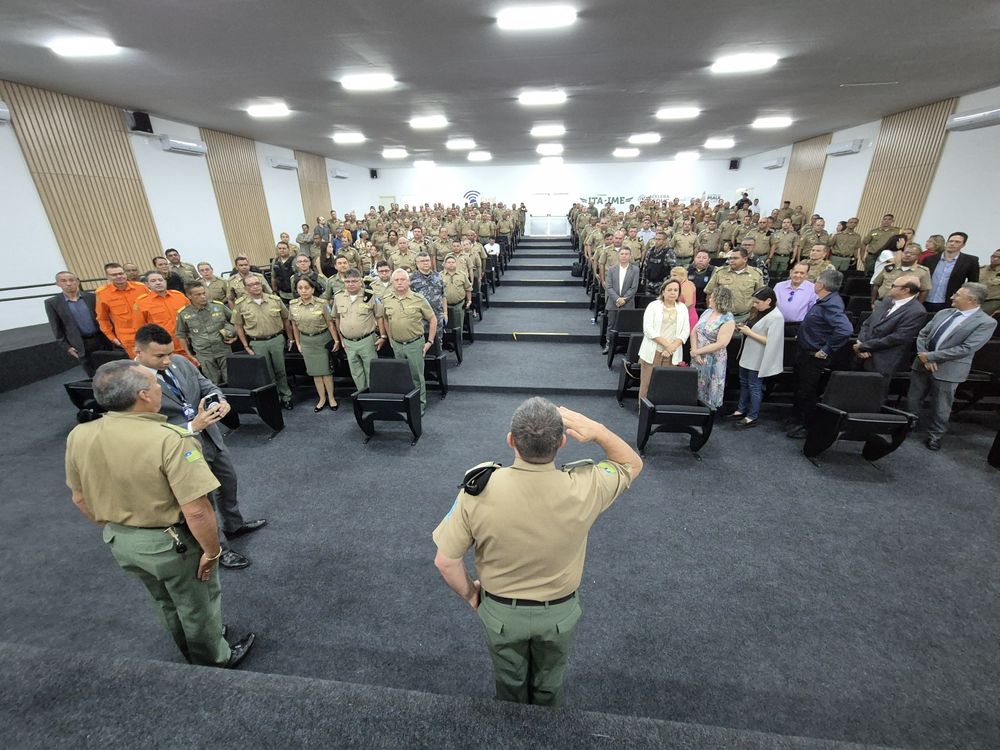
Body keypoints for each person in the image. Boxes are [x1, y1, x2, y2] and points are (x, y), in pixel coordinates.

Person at [432, 398, 642, 707]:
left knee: (509, 686)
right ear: (563, 442)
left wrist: (472, 597)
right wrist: (597, 430)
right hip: (558, 614)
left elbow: (446, 562)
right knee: (549, 684)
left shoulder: (476, 489)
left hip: (500, 612)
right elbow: (630, 464)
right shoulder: (586, 486)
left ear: (511, 440)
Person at [65, 359, 256, 666]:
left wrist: (120, 525)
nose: (158, 388)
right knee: (198, 603)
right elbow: (196, 510)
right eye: (154, 384)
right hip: (171, 544)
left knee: (164, 601)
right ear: (143, 395)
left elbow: (79, 498)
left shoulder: (80, 435)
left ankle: (192, 648)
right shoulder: (171, 439)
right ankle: (214, 659)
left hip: (121, 541)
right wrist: (211, 552)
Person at [134, 323, 266, 568]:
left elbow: (206, 385)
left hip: (211, 436)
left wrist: (221, 400)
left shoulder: (181, 363)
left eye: (169, 353)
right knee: (202, 503)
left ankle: (234, 525)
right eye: (159, 356)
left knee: (228, 482)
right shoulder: (132, 382)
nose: (166, 360)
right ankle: (219, 549)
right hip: (179, 448)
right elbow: (142, 428)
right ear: (138, 352)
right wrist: (191, 427)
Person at [907, 282, 997, 450]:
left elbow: (967, 348)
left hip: (948, 369)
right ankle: (908, 425)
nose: (952, 297)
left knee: (941, 406)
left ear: (971, 300)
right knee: (913, 398)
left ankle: (935, 436)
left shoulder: (986, 322)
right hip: (922, 363)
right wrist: (924, 356)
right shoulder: (944, 312)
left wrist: (931, 356)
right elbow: (923, 334)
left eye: (957, 295)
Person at [786, 270, 854, 438]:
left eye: (815, 281)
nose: (814, 283)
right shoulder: (826, 300)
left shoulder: (832, 304)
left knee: (807, 391)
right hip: (805, 352)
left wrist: (826, 349)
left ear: (821, 285)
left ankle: (806, 425)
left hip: (813, 356)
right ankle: (797, 419)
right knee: (800, 388)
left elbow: (845, 330)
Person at [231, 276, 294, 409]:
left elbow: (286, 319)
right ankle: (274, 398)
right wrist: (246, 346)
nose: (255, 286)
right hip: (257, 342)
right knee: (266, 373)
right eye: (251, 285)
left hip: (276, 339)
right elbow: (238, 326)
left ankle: (286, 396)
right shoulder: (241, 304)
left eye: (257, 283)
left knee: (280, 370)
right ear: (245, 288)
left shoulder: (274, 300)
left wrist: (290, 338)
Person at [854, 275, 927, 384]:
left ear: (905, 290)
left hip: (882, 361)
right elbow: (868, 323)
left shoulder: (917, 311)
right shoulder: (887, 300)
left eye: (894, 286)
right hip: (862, 356)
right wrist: (861, 342)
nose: (889, 287)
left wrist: (864, 346)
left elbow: (898, 338)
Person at [383, 269, 437, 414]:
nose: (399, 282)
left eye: (402, 279)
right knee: (400, 376)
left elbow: (432, 319)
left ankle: (420, 404)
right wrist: (390, 339)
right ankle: (405, 402)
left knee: (416, 376)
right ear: (392, 283)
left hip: (415, 344)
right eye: (396, 280)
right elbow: (386, 320)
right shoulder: (387, 299)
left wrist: (430, 341)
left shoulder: (418, 299)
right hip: (397, 344)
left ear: (408, 282)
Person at [730, 288, 785, 428]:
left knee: (754, 386)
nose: (754, 305)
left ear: (768, 301)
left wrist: (749, 332)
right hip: (748, 354)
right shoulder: (759, 312)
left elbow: (771, 341)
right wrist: (743, 328)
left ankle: (752, 416)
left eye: (757, 302)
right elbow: (752, 328)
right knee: (743, 383)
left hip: (759, 357)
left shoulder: (776, 317)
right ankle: (740, 410)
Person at [330, 269, 387, 393]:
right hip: (349, 343)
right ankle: (362, 396)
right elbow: (337, 319)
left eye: (354, 281)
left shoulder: (370, 295)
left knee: (371, 370)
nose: (351, 284)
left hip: (367, 340)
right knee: (356, 372)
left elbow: (379, 316)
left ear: (361, 281)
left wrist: (383, 336)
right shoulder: (339, 297)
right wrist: (341, 339)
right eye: (348, 281)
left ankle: (374, 396)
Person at [45, 271, 109, 376]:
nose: (68, 283)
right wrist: (67, 347)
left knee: (111, 369)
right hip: (80, 344)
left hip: (101, 339)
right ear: (57, 284)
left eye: (71, 280)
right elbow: (56, 327)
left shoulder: (92, 297)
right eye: (63, 281)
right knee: (93, 374)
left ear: (78, 281)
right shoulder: (52, 303)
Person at [289, 278, 339, 411]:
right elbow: (294, 326)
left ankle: (332, 397)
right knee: (315, 372)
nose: (303, 291)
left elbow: (330, 323)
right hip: (306, 341)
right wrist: (298, 343)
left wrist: (336, 340)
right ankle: (322, 398)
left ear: (312, 289)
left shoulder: (322, 303)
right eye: (300, 288)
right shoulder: (293, 304)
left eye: (307, 287)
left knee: (326, 371)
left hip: (322, 339)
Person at [638, 279, 690, 400]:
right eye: (670, 290)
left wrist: (672, 347)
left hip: (672, 353)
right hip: (653, 351)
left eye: (676, 290)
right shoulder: (653, 306)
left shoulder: (682, 308)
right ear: (663, 291)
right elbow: (648, 329)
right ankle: (644, 412)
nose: (673, 293)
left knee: (665, 385)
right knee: (647, 385)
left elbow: (685, 331)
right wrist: (667, 345)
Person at [175, 281, 236, 385]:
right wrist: (189, 355)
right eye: (198, 295)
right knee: (213, 383)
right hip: (204, 354)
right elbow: (181, 335)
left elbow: (235, 321)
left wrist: (235, 336)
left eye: (204, 293)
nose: (203, 297)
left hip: (223, 349)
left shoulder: (218, 306)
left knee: (232, 380)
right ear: (189, 296)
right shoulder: (184, 313)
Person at [690, 286, 736, 408]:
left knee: (711, 385)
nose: (709, 299)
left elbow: (721, 344)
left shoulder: (728, 319)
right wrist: (694, 350)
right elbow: (694, 331)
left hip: (713, 358)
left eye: (712, 297)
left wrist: (697, 351)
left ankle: (708, 411)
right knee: (696, 383)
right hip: (697, 355)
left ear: (719, 299)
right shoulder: (707, 312)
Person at [132, 272, 191, 361]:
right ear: (147, 285)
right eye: (153, 281)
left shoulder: (179, 296)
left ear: (165, 282)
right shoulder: (141, 303)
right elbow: (140, 328)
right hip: (164, 348)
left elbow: (193, 316)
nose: (158, 283)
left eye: (160, 280)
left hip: (188, 344)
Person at [95, 262, 148, 356]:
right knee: (139, 365)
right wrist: (112, 338)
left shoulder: (141, 287)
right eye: (114, 275)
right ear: (107, 276)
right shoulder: (102, 293)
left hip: (149, 332)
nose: (119, 276)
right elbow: (102, 318)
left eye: (121, 273)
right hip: (128, 338)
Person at [703, 246, 764, 323]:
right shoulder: (720, 272)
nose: (731, 261)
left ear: (745, 259)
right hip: (721, 317)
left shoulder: (756, 274)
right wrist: (711, 311)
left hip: (744, 317)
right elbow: (709, 292)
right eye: (730, 258)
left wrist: (754, 314)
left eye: (735, 258)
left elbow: (759, 296)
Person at [923, 232, 981, 313]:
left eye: (957, 242)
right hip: (924, 300)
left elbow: (973, 284)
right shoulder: (930, 259)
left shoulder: (970, 261)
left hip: (949, 302)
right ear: (946, 242)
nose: (952, 244)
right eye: (951, 241)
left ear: (963, 245)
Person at [603, 247, 639, 353]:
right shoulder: (611, 269)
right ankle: (609, 345)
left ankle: (625, 347)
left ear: (630, 256)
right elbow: (609, 287)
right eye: (622, 253)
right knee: (611, 325)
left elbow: (634, 288)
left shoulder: (635, 270)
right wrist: (617, 299)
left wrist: (624, 299)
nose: (624, 256)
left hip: (628, 303)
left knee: (627, 325)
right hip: (613, 302)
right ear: (618, 255)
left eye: (626, 254)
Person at [442, 254, 473, 337]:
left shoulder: (462, 275)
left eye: (453, 262)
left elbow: (468, 288)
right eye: (448, 262)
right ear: (445, 264)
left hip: (459, 304)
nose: (451, 264)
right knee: (444, 326)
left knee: (459, 326)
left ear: (456, 264)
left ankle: (459, 343)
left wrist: (469, 300)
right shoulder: (439, 276)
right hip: (444, 306)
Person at [669, 265, 700, 332]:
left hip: (688, 317)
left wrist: (677, 314)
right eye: (671, 275)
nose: (671, 278)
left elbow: (689, 303)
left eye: (674, 275)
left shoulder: (687, 285)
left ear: (682, 276)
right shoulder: (680, 285)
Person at [981, 249, 1000, 316]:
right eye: (993, 256)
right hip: (975, 299)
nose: (995, 259)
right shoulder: (981, 269)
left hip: (993, 302)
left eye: (998, 257)